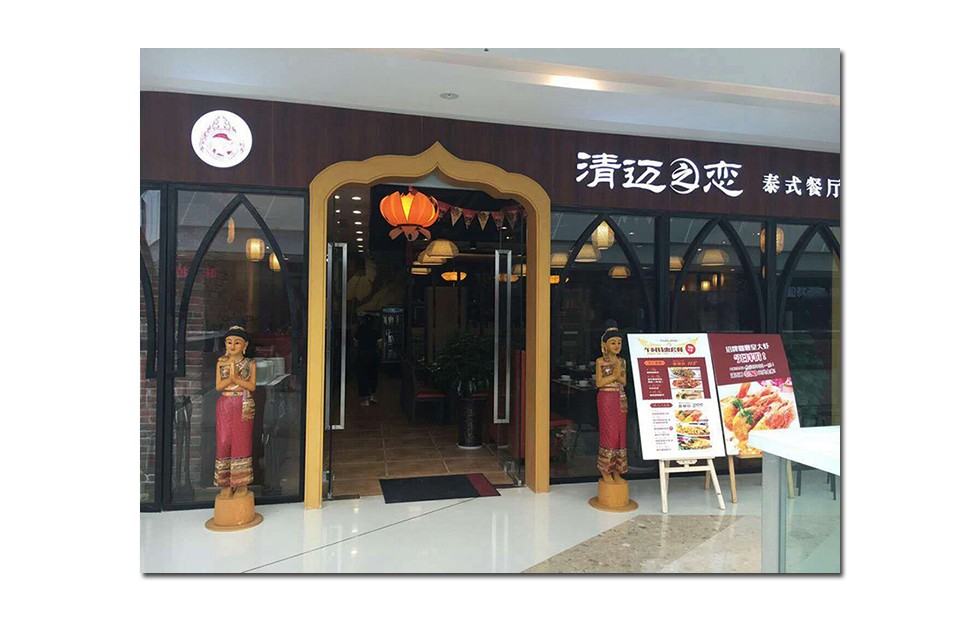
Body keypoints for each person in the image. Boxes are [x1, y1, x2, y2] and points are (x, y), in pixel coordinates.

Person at [214, 323, 258, 499]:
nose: (232, 346)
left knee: (242, 441)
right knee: (224, 441)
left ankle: (241, 482)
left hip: (243, 402)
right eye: (229, 342)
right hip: (225, 403)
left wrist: (236, 378)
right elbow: (218, 386)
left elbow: (252, 386)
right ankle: (225, 483)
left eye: (237, 342)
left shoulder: (250, 363)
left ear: (245, 345)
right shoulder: (221, 363)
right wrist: (230, 378)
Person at [595, 320, 628, 483]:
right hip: (607, 398)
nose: (616, 346)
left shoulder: (622, 362)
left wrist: (617, 376)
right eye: (613, 342)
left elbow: (624, 381)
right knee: (610, 433)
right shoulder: (601, 362)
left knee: (621, 434)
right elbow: (599, 383)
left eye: (619, 343)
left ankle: (617, 470)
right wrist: (614, 376)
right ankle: (605, 470)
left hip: (620, 397)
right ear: (605, 345)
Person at [353, 314, 382, 406]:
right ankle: (372, 396)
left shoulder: (360, 330)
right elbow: (380, 345)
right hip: (373, 355)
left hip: (362, 356)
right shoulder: (376, 330)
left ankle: (365, 399)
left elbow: (355, 343)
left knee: (363, 377)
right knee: (373, 376)